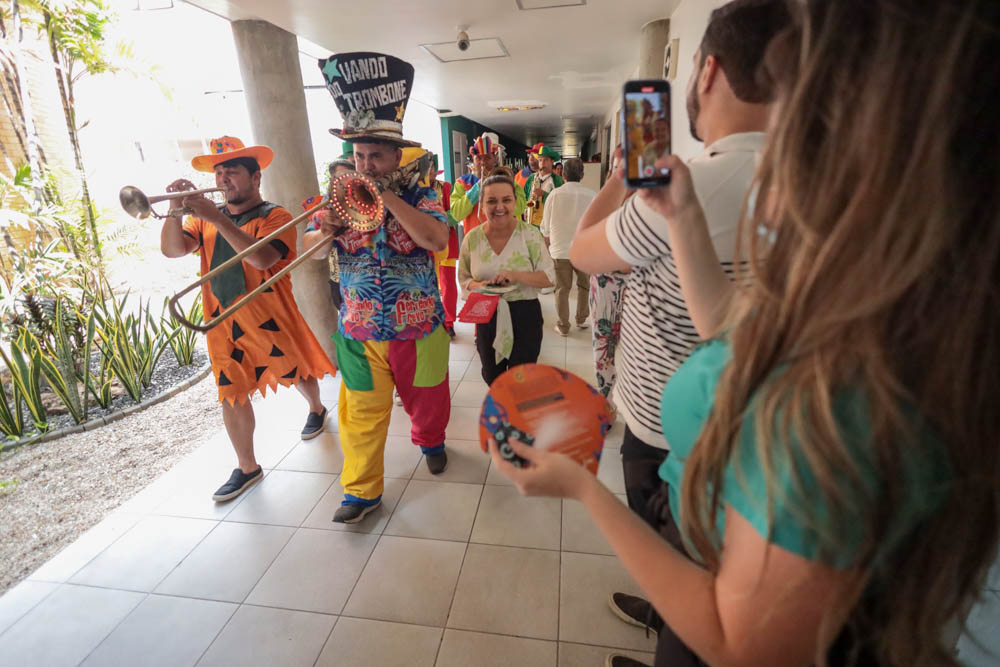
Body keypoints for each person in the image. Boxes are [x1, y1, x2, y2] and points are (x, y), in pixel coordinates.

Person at [493, 1, 1000, 665]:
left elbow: (740, 641)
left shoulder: (844, 400)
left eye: (801, 123)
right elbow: (739, 330)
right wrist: (684, 220)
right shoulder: (869, 310)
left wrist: (583, 488)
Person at [570, 0, 792, 648]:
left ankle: (678, 624)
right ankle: (672, 612)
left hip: (665, 425)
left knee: (675, 550)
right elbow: (724, 316)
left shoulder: (686, 190)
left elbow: (583, 253)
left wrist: (618, 182)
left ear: (708, 71)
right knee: (710, 552)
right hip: (754, 426)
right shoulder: (809, 186)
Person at [160, 136, 337, 502]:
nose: (224, 179)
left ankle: (317, 407)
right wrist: (176, 210)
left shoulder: (276, 215)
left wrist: (213, 216)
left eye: (233, 172)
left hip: (270, 313)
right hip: (222, 320)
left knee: (296, 368)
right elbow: (173, 249)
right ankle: (247, 466)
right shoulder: (205, 220)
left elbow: (261, 259)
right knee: (230, 391)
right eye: (219, 172)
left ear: (255, 178)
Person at [317, 51, 452, 524]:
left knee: (429, 401)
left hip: (418, 327)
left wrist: (386, 196)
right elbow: (309, 256)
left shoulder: (422, 195)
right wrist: (324, 228)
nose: (366, 164)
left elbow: (436, 239)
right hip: (358, 330)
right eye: (359, 155)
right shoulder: (337, 198)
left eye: (376, 155)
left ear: (396, 156)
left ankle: (430, 440)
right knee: (360, 418)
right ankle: (361, 492)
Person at [458, 168, 555, 385]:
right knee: (493, 376)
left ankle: (517, 418)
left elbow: (549, 277)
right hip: (487, 314)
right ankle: (501, 416)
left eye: (506, 200)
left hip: (524, 314)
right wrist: (477, 285)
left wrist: (517, 275)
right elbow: (463, 277)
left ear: (515, 203)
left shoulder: (530, 235)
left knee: (522, 379)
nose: (499, 207)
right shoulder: (472, 239)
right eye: (492, 201)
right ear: (482, 206)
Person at [589, 149, 631, 409]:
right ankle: (606, 405)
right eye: (617, 169)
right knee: (603, 351)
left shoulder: (652, 208)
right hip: (604, 291)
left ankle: (629, 403)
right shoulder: (602, 208)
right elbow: (586, 253)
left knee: (634, 351)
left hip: (635, 293)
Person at [540, 157, 595, 336]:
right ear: (582, 175)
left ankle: (563, 326)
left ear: (562, 174)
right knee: (584, 286)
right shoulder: (592, 196)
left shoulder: (554, 195)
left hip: (560, 250)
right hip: (584, 251)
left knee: (562, 289)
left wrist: (547, 246)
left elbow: (545, 228)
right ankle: (581, 319)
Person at [304, 147, 355, 311]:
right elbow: (311, 249)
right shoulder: (326, 205)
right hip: (341, 283)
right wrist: (325, 232)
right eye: (338, 178)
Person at [451, 134, 526, 236]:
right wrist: (477, 189)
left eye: (487, 158)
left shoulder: (508, 179)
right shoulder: (462, 182)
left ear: (494, 158)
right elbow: (456, 214)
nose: (482, 162)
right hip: (475, 244)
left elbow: (520, 208)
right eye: (478, 158)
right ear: (473, 158)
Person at [428, 154, 458, 338]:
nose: (428, 173)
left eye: (431, 169)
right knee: (429, 285)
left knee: (448, 285)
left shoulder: (445, 187)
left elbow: (453, 215)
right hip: (424, 248)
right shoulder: (414, 190)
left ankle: (449, 321)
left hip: (447, 244)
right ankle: (433, 321)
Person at [522, 145, 564, 227]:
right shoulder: (531, 178)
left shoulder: (558, 181)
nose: (542, 163)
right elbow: (524, 196)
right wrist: (525, 209)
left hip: (549, 225)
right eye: (540, 160)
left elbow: (560, 203)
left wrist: (543, 195)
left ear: (552, 162)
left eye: (546, 160)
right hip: (531, 224)